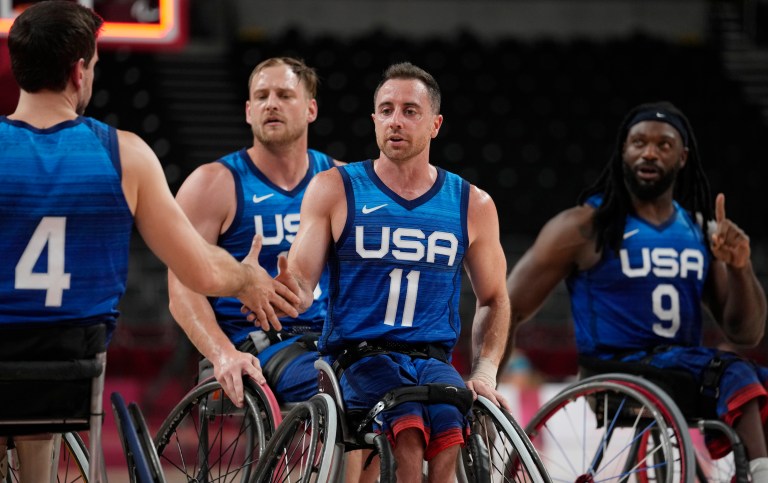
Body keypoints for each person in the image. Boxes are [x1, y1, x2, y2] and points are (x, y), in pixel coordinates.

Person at [0, 2, 298, 481]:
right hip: (71, 367)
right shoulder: (124, 154)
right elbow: (199, 269)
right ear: (79, 71)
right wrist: (246, 277)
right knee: (46, 394)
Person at [274, 62, 510, 483]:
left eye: (409, 111)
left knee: (451, 429)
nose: (395, 121)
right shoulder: (335, 187)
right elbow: (303, 283)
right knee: (408, 431)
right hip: (357, 356)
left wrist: (485, 371)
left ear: (435, 124)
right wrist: (285, 290)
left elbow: (494, 298)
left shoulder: (473, 203)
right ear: (374, 120)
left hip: (431, 359)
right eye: (386, 110)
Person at [506, 101, 768, 480]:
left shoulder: (698, 231)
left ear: (682, 157)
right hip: (616, 368)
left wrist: (740, 267)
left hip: (680, 369)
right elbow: (509, 305)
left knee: (755, 377)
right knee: (732, 372)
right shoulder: (585, 226)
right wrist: (487, 377)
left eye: (664, 145)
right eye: (639, 143)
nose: (649, 152)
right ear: (623, 151)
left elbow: (746, 333)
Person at [167, 56, 342, 407]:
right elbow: (182, 290)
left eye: (284, 95)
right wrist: (222, 353)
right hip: (258, 345)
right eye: (261, 96)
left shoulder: (340, 181)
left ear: (311, 109)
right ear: (249, 111)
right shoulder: (212, 183)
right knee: (347, 385)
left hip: (330, 340)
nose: (271, 104)